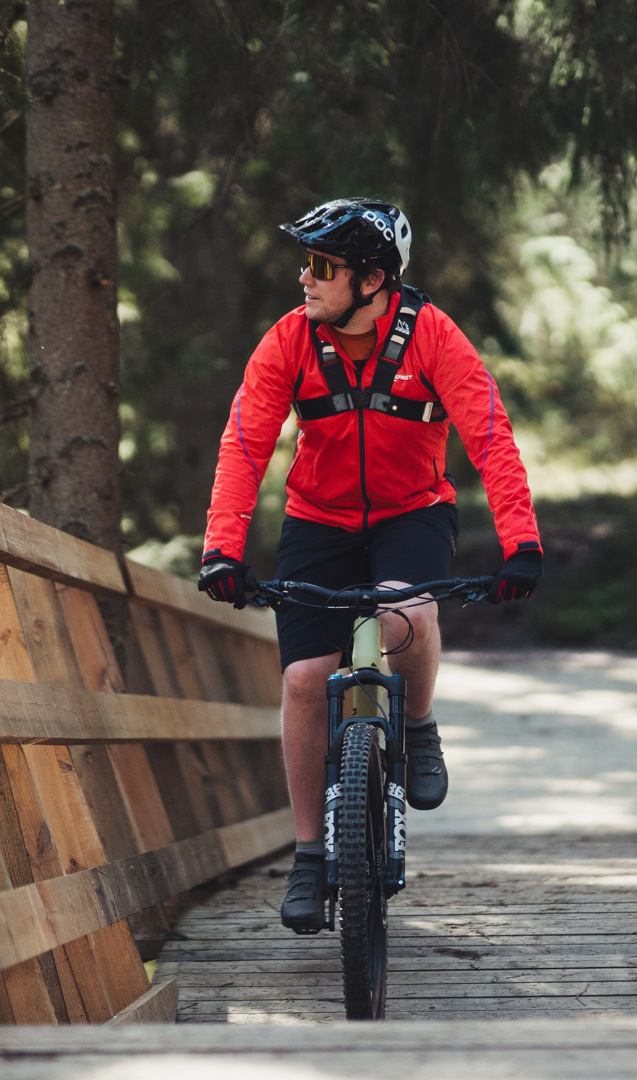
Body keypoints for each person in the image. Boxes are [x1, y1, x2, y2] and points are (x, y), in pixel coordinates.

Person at [196, 197, 542, 931]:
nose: (305, 279)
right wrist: (222, 548)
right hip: (317, 521)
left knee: (407, 611)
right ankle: (310, 856)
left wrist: (522, 542)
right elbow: (245, 445)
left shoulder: (433, 337)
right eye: (305, 263)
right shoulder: (289, 341)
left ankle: (416, 727)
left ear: (374, 279)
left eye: (323, 266)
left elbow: (490, 436)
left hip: (413, 510)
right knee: (301, 679)